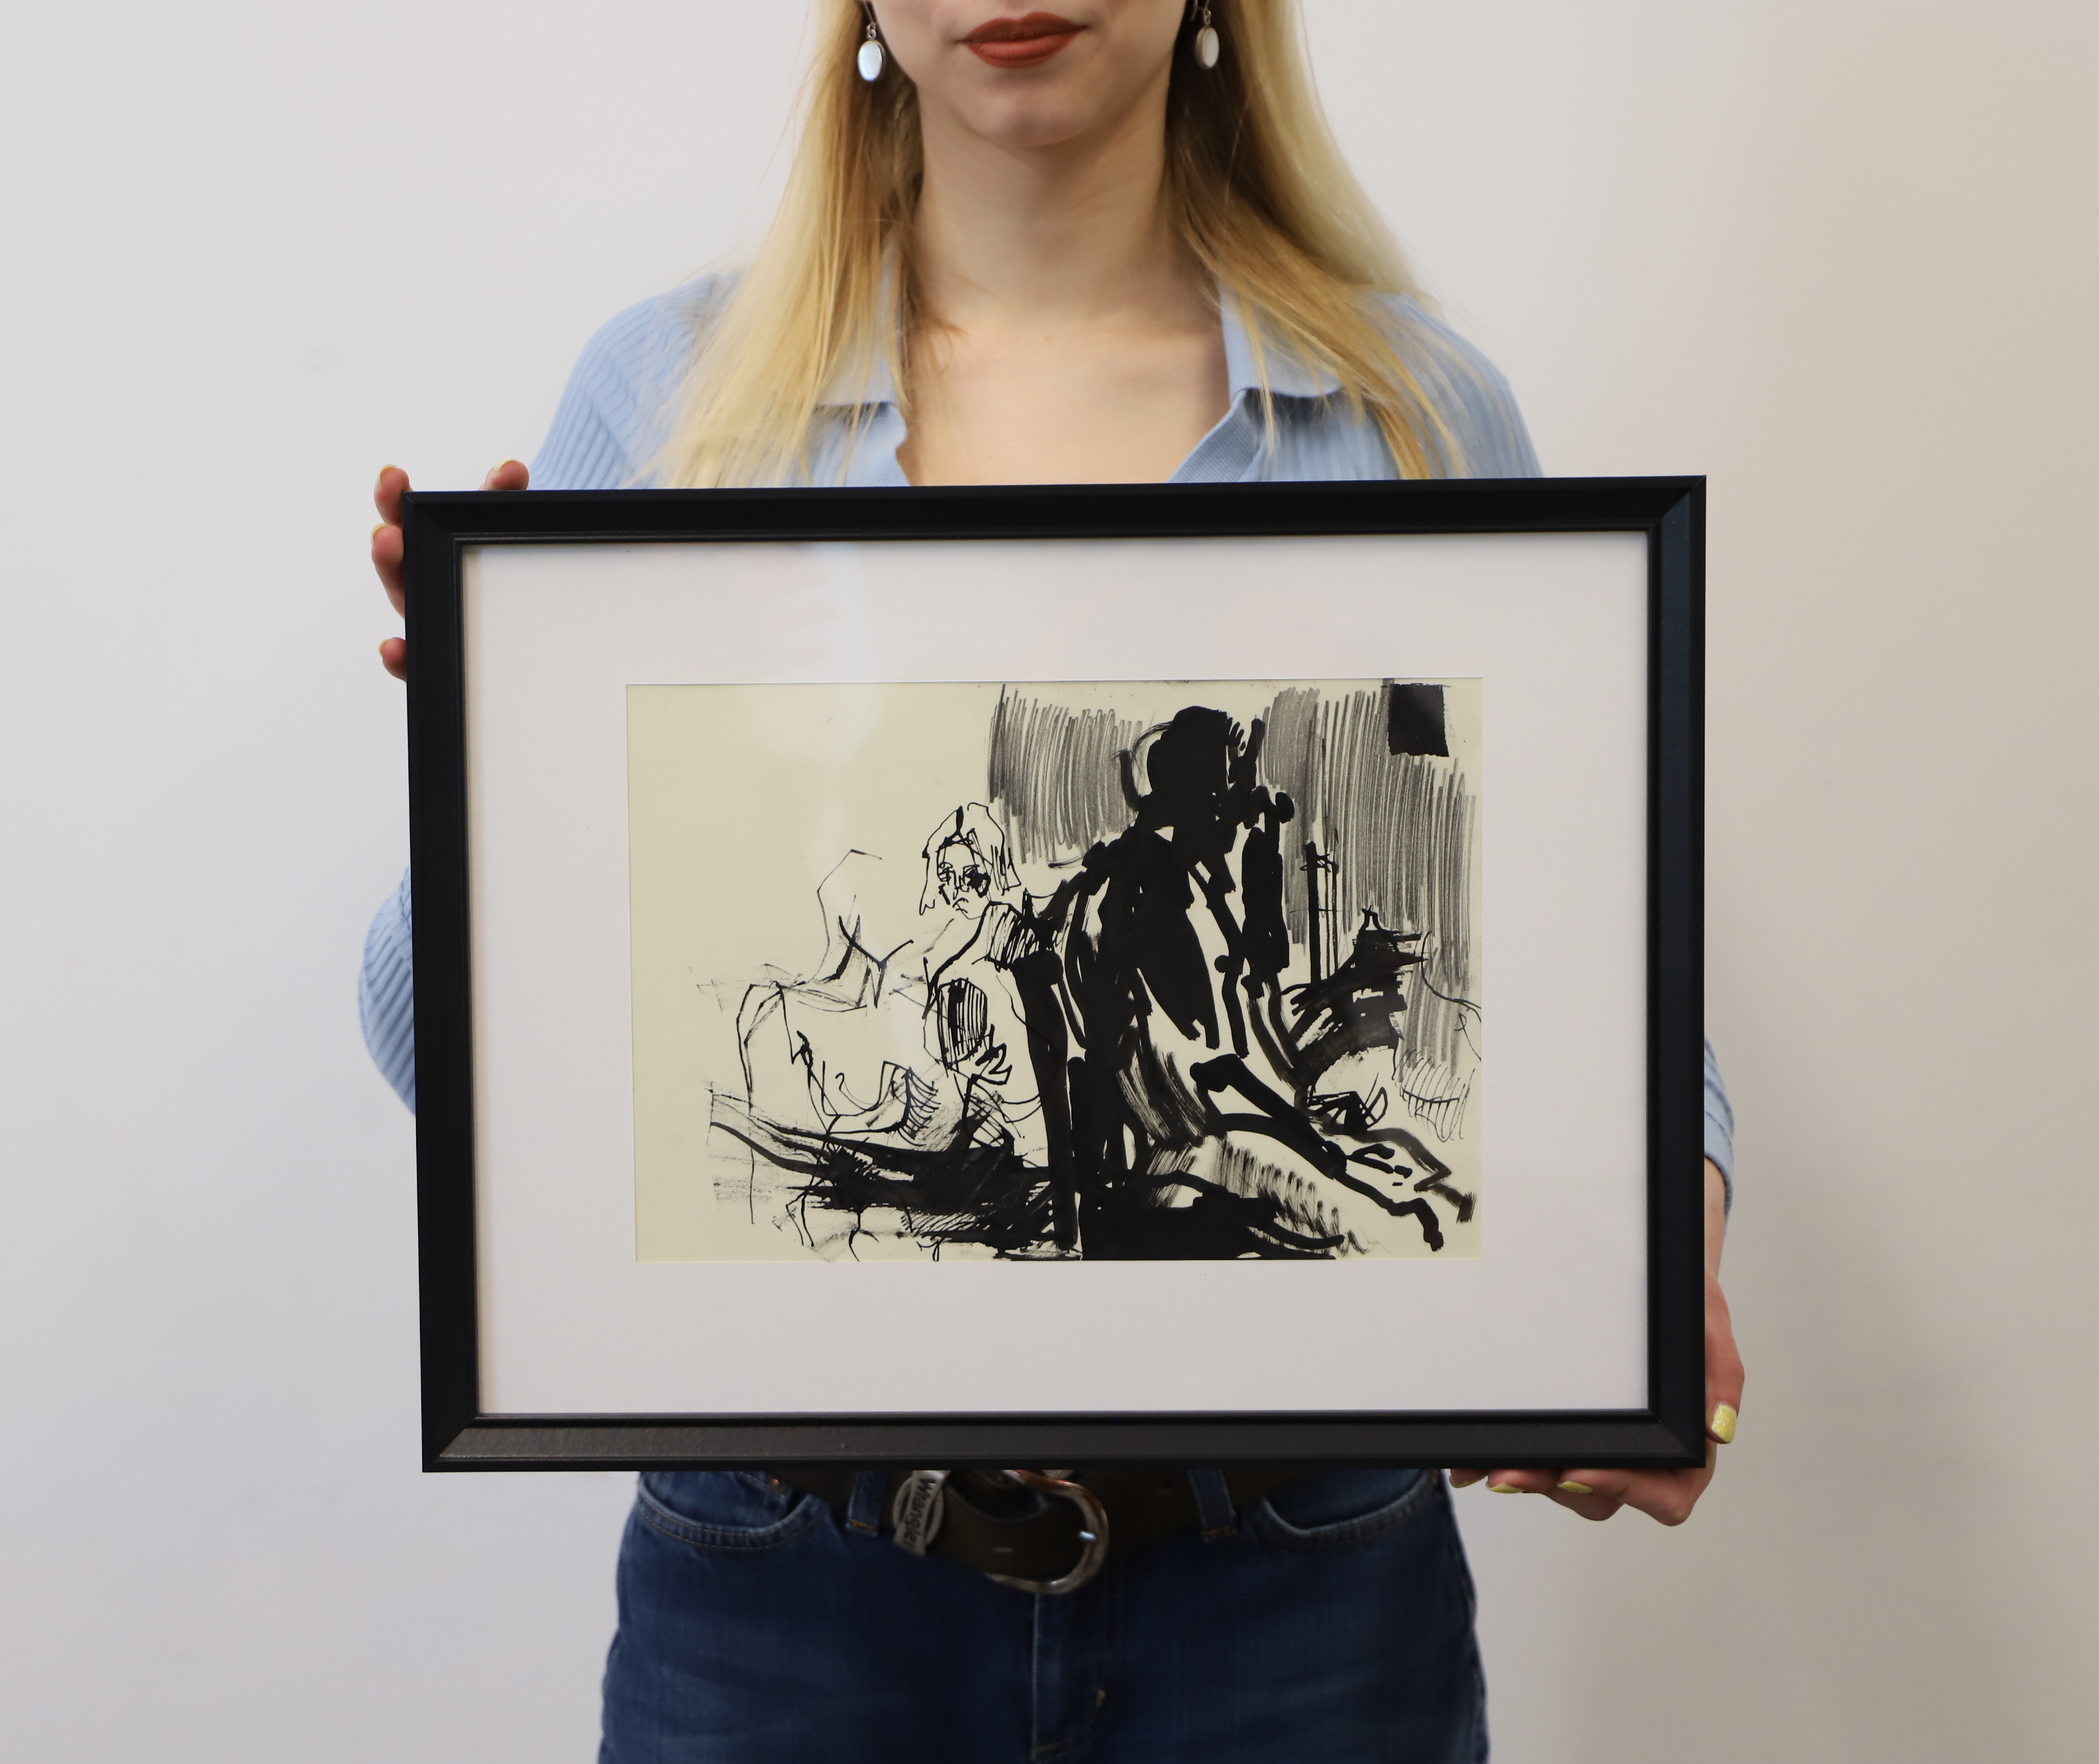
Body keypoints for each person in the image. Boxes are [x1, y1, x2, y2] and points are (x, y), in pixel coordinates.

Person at [360, 4, 1745, 1757]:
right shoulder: (678, 394)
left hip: (1303, 1593)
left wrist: (1657, 1248)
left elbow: (1597, 964)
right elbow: (433, 1051)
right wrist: (501, 774)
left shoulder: (1408, 408)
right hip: (791, 1590)